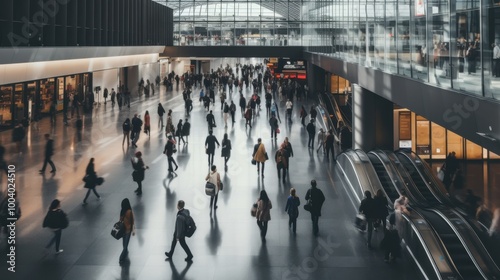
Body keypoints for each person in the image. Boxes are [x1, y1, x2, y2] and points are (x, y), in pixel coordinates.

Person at [119, 198, 135, 265]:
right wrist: (133, 230)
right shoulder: (130, 212)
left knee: (124, 244)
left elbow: (120, 220)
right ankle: (121, 257)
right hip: (128, 230)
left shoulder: (122, 211)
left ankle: (125, 252)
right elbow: (132, 222)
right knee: (125, 245)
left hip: (123, 230)